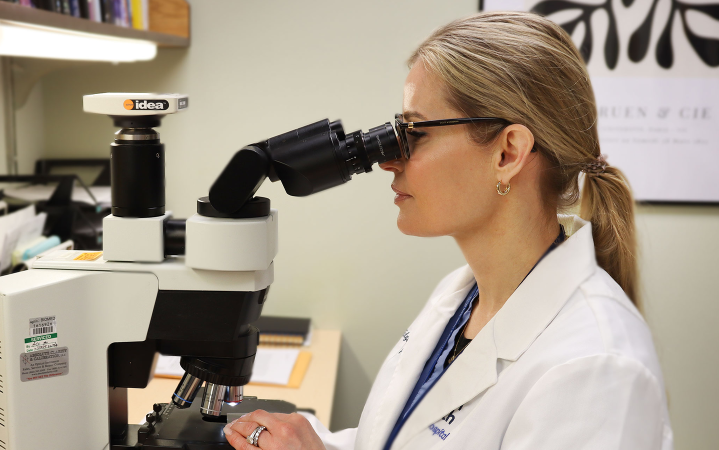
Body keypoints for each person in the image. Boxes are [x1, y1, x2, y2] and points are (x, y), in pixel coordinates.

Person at [223, 11, 671, 450]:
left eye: (413, 132)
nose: (386, 160)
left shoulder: (596, 371)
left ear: (508, 153)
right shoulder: (463, 298)